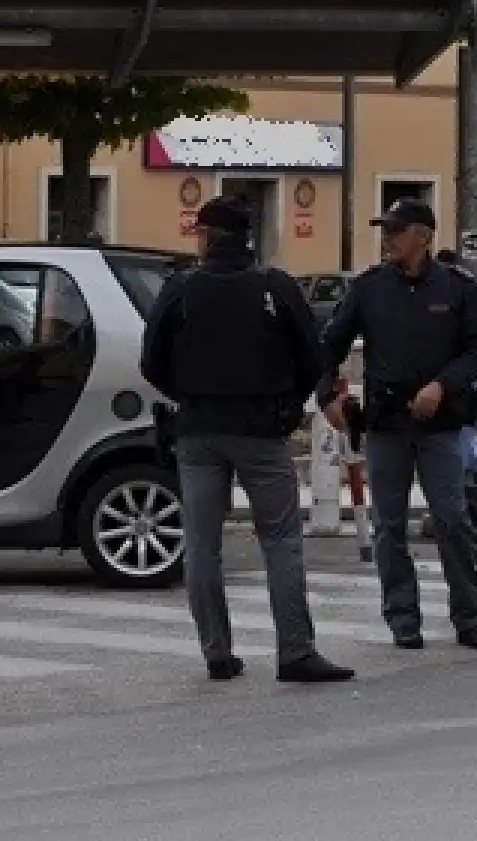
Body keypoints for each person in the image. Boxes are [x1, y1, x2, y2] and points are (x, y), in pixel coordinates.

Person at [139, 196, 354, 684]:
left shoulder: (183, 289)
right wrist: (287, 406)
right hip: (261, 427)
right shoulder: (274, 287)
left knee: (202, 543)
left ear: (207, 236)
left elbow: (151, 359)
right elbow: (312, 355)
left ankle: (217, 651)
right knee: (279, 540)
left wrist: (188, 393)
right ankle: (295, 651)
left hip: (197, 428)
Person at [318, 198, 477, 651]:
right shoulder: (370, 287)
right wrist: (327, 395)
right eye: (386, 230)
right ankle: (402, 617)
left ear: (424, 235)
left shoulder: (457, 287)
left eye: (397, 231)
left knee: (452, 519)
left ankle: (469, 616)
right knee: (388, 525)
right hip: (386, 423)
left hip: (440, 423)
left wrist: (441, 386)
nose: (388, 238)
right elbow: (330, 343)